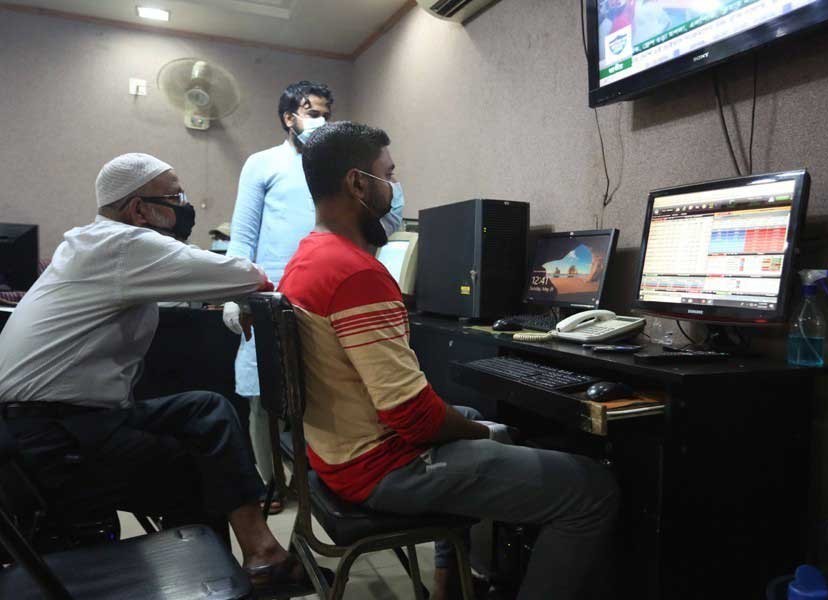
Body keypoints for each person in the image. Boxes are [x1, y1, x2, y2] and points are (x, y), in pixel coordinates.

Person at [278, 123, 621, 600]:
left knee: (474, 415)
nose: (394, 189)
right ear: (358, 183)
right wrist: (482, 434)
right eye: (388, 175)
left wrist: (474, 427)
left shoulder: (305, 258)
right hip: (382, 468)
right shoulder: (354, 273)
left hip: (337, 455)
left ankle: (449, 585)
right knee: (592, 489)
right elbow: (412, 417)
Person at [0, 153, 317, 597]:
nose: (184, 206)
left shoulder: (96, 243)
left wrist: (237, 293)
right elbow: (245, 273)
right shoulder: (123, 244)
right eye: (176, 197)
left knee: (204, 409)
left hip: (62, 422)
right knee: (198, 469)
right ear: (139, 209)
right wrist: (246, 290)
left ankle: (258, 554)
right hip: (52, 440)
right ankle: (213, 580)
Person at [222, 81, 404, 512]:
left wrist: (386, 193)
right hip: (274, 295)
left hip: (332, 290)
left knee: (328, 392)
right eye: (313, 113)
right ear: (289, 118)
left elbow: (387, 216)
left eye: (327, 114)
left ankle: (324, 475)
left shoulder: (340, 167)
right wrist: (235, 295)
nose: (322, 121)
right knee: (264, 399)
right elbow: (243, 235)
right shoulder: (263, 164)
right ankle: (273, 484)